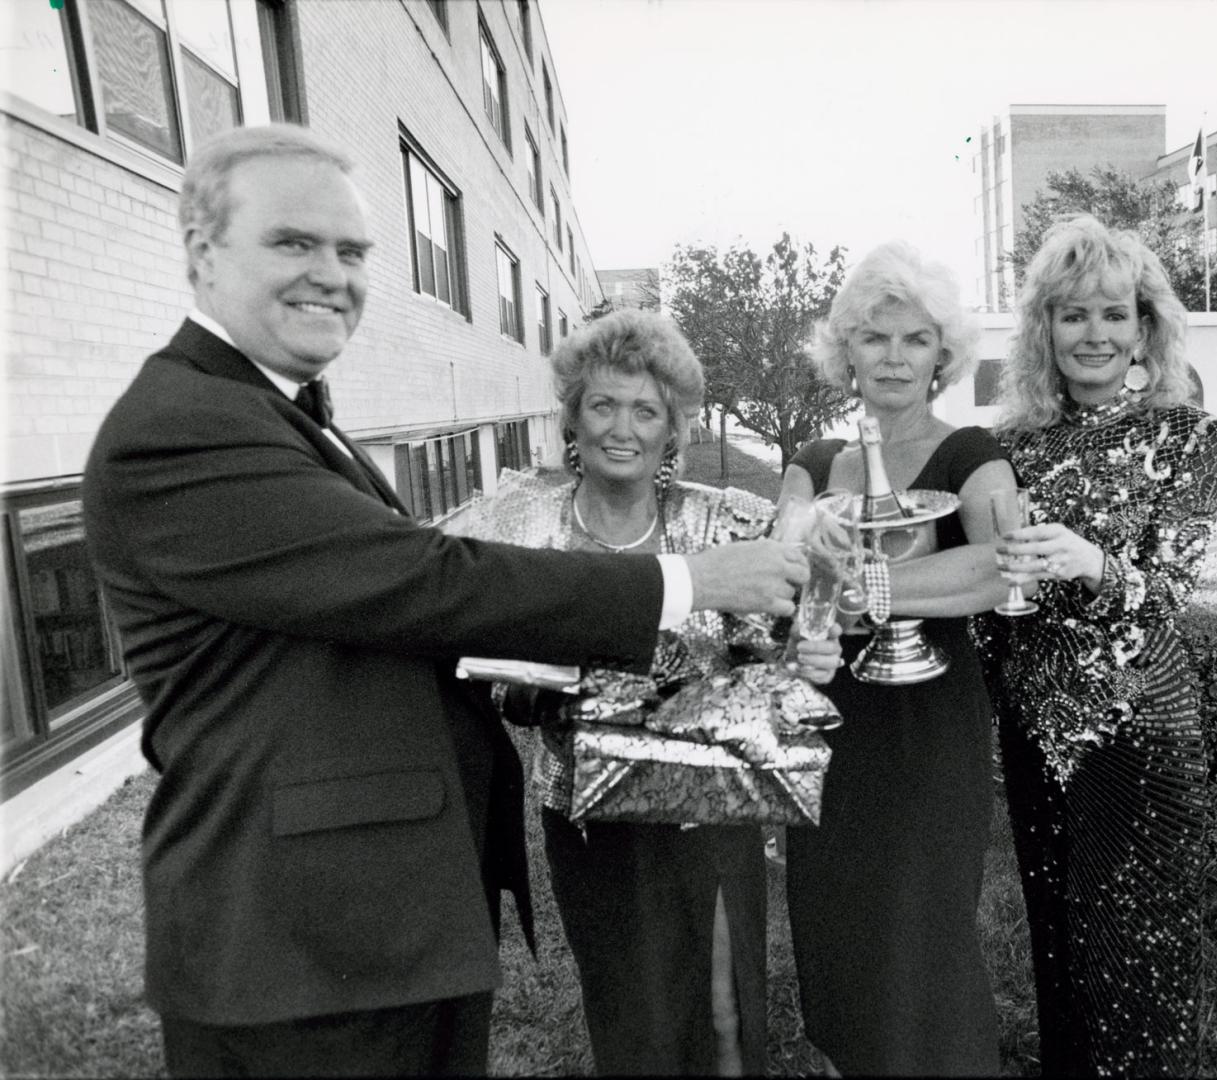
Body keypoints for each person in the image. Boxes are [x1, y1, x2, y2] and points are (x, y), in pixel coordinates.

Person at [79, 124, 806, 1078]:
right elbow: (422, 582)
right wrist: (687, 583)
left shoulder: (280, 411)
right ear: (204, 254)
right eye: (293, 243)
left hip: (377, 924)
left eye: (351, 251)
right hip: (301, 948)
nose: (330, 274)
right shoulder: (184, 429)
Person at [452, 308, 842, 1076]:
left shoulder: (724, 519)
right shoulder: (518, 528)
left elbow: (778, 641)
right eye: (602, 405)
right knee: (631, 1014)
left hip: (711, 811)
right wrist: (543, 697)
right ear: (572, 418)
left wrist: (810, 649)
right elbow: (480, 662)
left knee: (724, 1011)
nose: (620, 428)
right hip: (589, 819)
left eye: (645, 410)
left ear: (673, 429)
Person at [972, 213, 1217, 1078]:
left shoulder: (1189, 436)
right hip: (1031, 730)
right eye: (1072, 314)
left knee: (1135, 953)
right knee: (1057, 942)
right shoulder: (1006, 445)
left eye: (1113, 315)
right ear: (1043, 328)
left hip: (1139, 728)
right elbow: (983, 599)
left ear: (1145, 328)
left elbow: (1167, 591)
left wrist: (1092, 564)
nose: (1094, 334)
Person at [780, 242, 1018, 1076]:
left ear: (940, 354)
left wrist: (863, 587)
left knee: (923, 934)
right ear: (845, 349)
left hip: (928, 731)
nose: (893, 357)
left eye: (914, 339)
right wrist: (812, 554)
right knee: (840, 925)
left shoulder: (973, 454)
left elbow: (997, 565)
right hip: (835, 725)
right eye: (874, 338)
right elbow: (786, 548)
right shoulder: (813, 462)